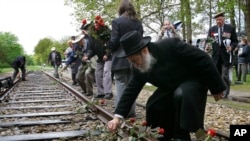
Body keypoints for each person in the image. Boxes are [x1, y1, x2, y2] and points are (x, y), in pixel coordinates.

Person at [107, 31, 225, 141]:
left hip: (193, 82)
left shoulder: (170, 45)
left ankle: (182, 135)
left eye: (135, 60)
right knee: (154, 104)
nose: (134, 64)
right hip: (171, 88)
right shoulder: (137, 67)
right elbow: (131, 90)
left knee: (181, 94)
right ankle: (164, 134)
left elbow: (202, 58)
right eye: (131, 61)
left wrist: (216, 87)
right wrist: (117, 117)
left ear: (144, 51)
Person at [109, 0, 143, 118]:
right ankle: (131, 111)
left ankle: (121, 112)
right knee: (131, 85)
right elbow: (140, 39)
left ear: (121, 9)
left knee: (121, 84)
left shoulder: (117, 22)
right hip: (135, 57)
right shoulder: (138, 23)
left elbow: (114, 41)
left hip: (120, 58)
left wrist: (108, 47)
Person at [206, 12, 238, 98]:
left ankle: (225, 93)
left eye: (220, 19)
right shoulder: (212, 29)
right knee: (217, 75)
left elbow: (235, 41)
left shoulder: (230, 28)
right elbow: (209, 41)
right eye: (217, 20)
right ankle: (218, 92)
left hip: (226, 56)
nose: (218, 21)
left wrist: (231, 47)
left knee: (224, 75)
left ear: (223, 19)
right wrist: (208, 46)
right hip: (216, 56)